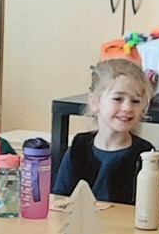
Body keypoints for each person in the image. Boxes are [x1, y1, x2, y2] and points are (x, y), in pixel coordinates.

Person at [52, 58, 153, 205]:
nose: (127, 108)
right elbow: (59, 198)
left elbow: (147, 207)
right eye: (118, 99)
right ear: (95, 102)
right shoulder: (79, 147)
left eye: (135, 101)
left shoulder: (145, 154)